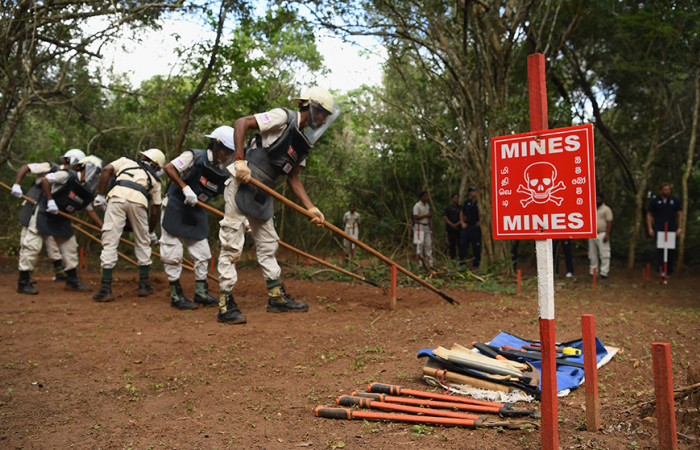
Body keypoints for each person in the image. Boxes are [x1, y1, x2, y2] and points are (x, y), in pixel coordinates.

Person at [217, 86, 341, 324]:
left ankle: (276, 298)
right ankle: (225, 303)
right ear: (311, 107)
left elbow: (293, 178)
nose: (324, 119)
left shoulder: (303, 143)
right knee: (232, 242)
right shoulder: (284, 117)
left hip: (264, 190)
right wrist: (241, 161)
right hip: (242, 180)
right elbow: (241, 122)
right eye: (324, 113)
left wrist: (310, 208)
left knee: (268, 244)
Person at [160, 127, 234, 309]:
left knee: (202, 254)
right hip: (175, 206)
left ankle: (201, 292)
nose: (227, 156)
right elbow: (169, 168)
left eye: (231, 152)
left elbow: (230, 197)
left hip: (196, 211)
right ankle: (176, 296)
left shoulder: (223, 173)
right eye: (226, 150)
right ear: (215, 145)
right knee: (173, 253)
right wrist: (184, 188)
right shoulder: (194, 157)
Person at [17, 155, 103, 294]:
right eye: (93, 170)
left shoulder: (87, 192)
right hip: (44, 211)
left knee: (70, 246)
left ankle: (72, 280)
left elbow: (89, 210)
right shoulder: (66, 175)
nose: (94, 174)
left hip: (61, 218)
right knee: (33, 245)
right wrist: (50, 201)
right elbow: (45, 180)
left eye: (97, 172)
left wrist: (102, 227)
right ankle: (23, 281)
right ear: (82, 167)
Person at [92, 149, 165, 302]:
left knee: (110, 242)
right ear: (156, 166)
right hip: (139, 202)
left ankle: (105, 288)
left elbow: (106, 170)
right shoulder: (155, 180)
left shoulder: (126, 161)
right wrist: (150, 232)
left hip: (117, 197)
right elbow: (155, 210)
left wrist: (100, 195)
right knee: (142, 243)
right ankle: (144, 285)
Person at [11, 149, 86, 282]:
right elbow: (25, 167)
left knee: (54, 243)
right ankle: (24, 277)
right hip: (33, 208)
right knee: (28, 242)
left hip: (50, 214)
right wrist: (17, 184)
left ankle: (61, 273)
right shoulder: (51, 168)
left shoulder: (73, 178)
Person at [647, 182, 682, 277]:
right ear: (661, 191)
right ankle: (661, 269)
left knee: (670, 249)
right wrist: (650, 228)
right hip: (659, 228)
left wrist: (679, 228)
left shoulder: (675, 200)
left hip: (671, 228)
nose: (668, 191)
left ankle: (669, 271)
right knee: (661, 249)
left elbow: (680, 214)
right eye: (666, 190)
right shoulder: (655, 201)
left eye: (669, 189)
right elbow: (649, 214)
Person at [588, 192, 613, 278]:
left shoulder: (606, 209)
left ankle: (604, 272)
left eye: (598, 199)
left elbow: (609, 221)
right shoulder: (591, 208)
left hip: (602, 233)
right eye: (595, 199)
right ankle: (593, 271)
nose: (596, 201)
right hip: (592, 234)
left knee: (604, 253)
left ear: (602, 199)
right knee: (592, 254)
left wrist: (607, 234)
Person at [459, 187, 481, 268]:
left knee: (477, 246)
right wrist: (462, 222)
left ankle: (476, 264)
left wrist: (481, 221)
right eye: (471, 191)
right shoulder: (467, 202)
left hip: (476, 227)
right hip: (467, 226)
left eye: (474, 191)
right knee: (463, 244)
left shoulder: (480, 202)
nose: (472, 193)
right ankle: (462, 264)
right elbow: (462, 211)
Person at [412, 190, 434, 270]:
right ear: (422, 197)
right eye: (426, 196)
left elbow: (429, 216)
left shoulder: (427, 205)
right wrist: (425, 215)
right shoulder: (417, 206)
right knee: (419, 245)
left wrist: (430, 224)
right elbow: (415, 217)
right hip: (419, 225)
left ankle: (429, 263)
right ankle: (420, 264)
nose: (428, 197)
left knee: (428, 244)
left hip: (426, 226)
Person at [442, 194, 461, 260]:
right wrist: (452, 225)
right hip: (450, 229)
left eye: (458, 198)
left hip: (459, 229)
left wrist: (456, 224)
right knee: (452, 244)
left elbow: (464, 217)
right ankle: (453, 259)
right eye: (455, 198)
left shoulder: (461, 208)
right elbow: (445, 217)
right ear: (452, 199)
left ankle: (461, 259)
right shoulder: (448, 208)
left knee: (460, 244)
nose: (457, 199)